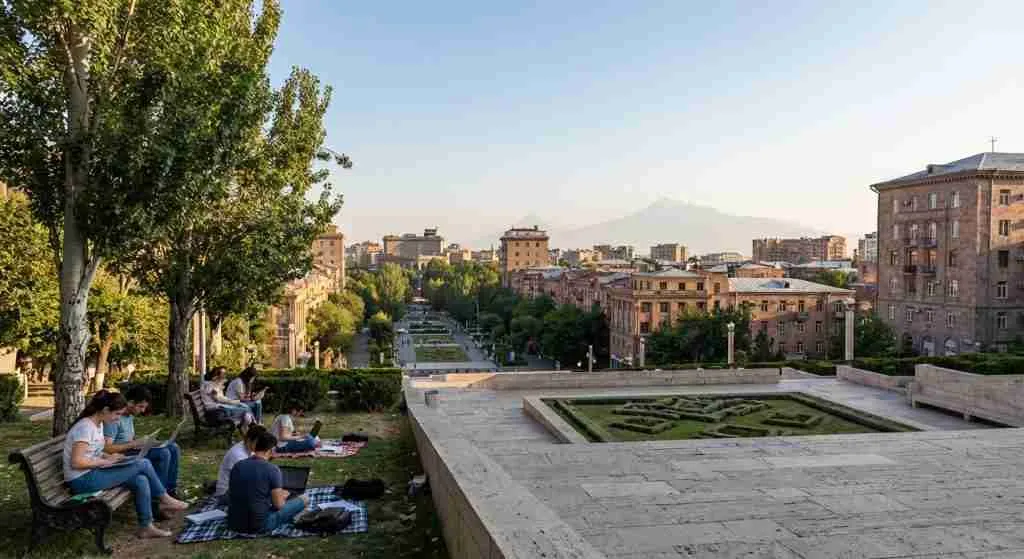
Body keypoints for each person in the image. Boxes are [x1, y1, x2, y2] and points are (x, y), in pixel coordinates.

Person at [63, 390, 188, 538]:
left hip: (92, 472)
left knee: (140, 480)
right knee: (143, 463)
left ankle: (146, 526)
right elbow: (77, 462)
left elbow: (93, 452)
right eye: (116, 414)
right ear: (105, 410)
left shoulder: (98, 424)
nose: (118, 419)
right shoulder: (85, 428)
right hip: (82, 480)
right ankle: (164, 498)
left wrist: (112, 457)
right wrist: (104, 461)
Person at [103, 386, 180, 497]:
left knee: (173, 447)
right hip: (121, 456)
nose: (143, 410)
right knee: (163, 453)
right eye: (140, 407)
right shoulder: (114, 418)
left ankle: (170, 490)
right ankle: (159, 497)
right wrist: (134, 444)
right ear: (130, 402)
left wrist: (147, 442)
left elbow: (127, 438)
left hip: (131, 449)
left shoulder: (129, 416)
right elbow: (107, 448)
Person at [227, 430, 308, 534]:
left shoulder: (237, 466)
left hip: (233, 524)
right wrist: (282, 496)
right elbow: (278, 505)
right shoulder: (272, 469)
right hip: (259, 526)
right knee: (304, 499)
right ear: (270, 449)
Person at [214, 425, 268, 505]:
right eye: (258, 443)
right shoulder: (238, 455)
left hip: (238, 489)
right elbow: (250, 482)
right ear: (249, 440)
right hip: (226, 493)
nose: (261, 446)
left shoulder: (249, 447)